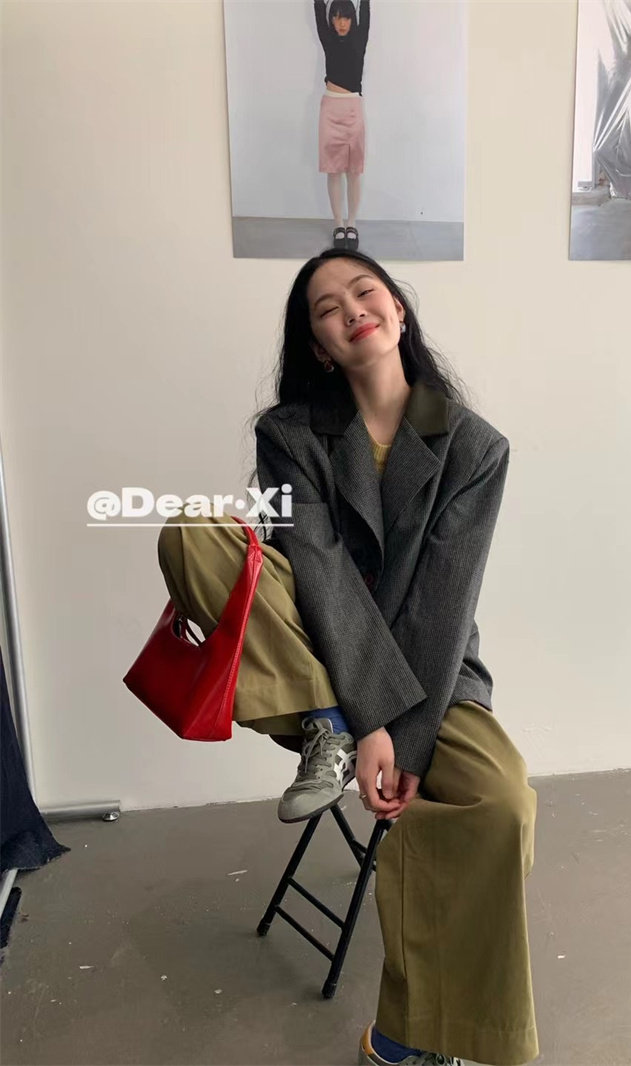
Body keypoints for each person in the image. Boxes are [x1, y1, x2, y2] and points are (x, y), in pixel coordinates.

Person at [157, 248, 539, 1066]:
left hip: (430, 672)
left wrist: (400, 741)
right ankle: (324, 724)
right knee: (193, 529)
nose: (351, 309)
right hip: (307, 655)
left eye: (365, 292)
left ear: (399, 310)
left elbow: (443, 600)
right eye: (327, 308)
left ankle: (423, 1030)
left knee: (501, 800)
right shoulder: (290, 433)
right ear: (320, 347)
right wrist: (358, 719)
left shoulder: (473, 446)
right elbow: (317, 565)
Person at [314, 0, 370, 251]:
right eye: (336, 17)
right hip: (330, 108)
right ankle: (338, 224)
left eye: (346, 17)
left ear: (352, 19)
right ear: (331, 20)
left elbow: (365, 8)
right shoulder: (327, 39)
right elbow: (318, 8)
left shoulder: (360, 39)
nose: (341, 23)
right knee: (334, 170)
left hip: (353, 108)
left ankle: (351, 224)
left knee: (354, 171)